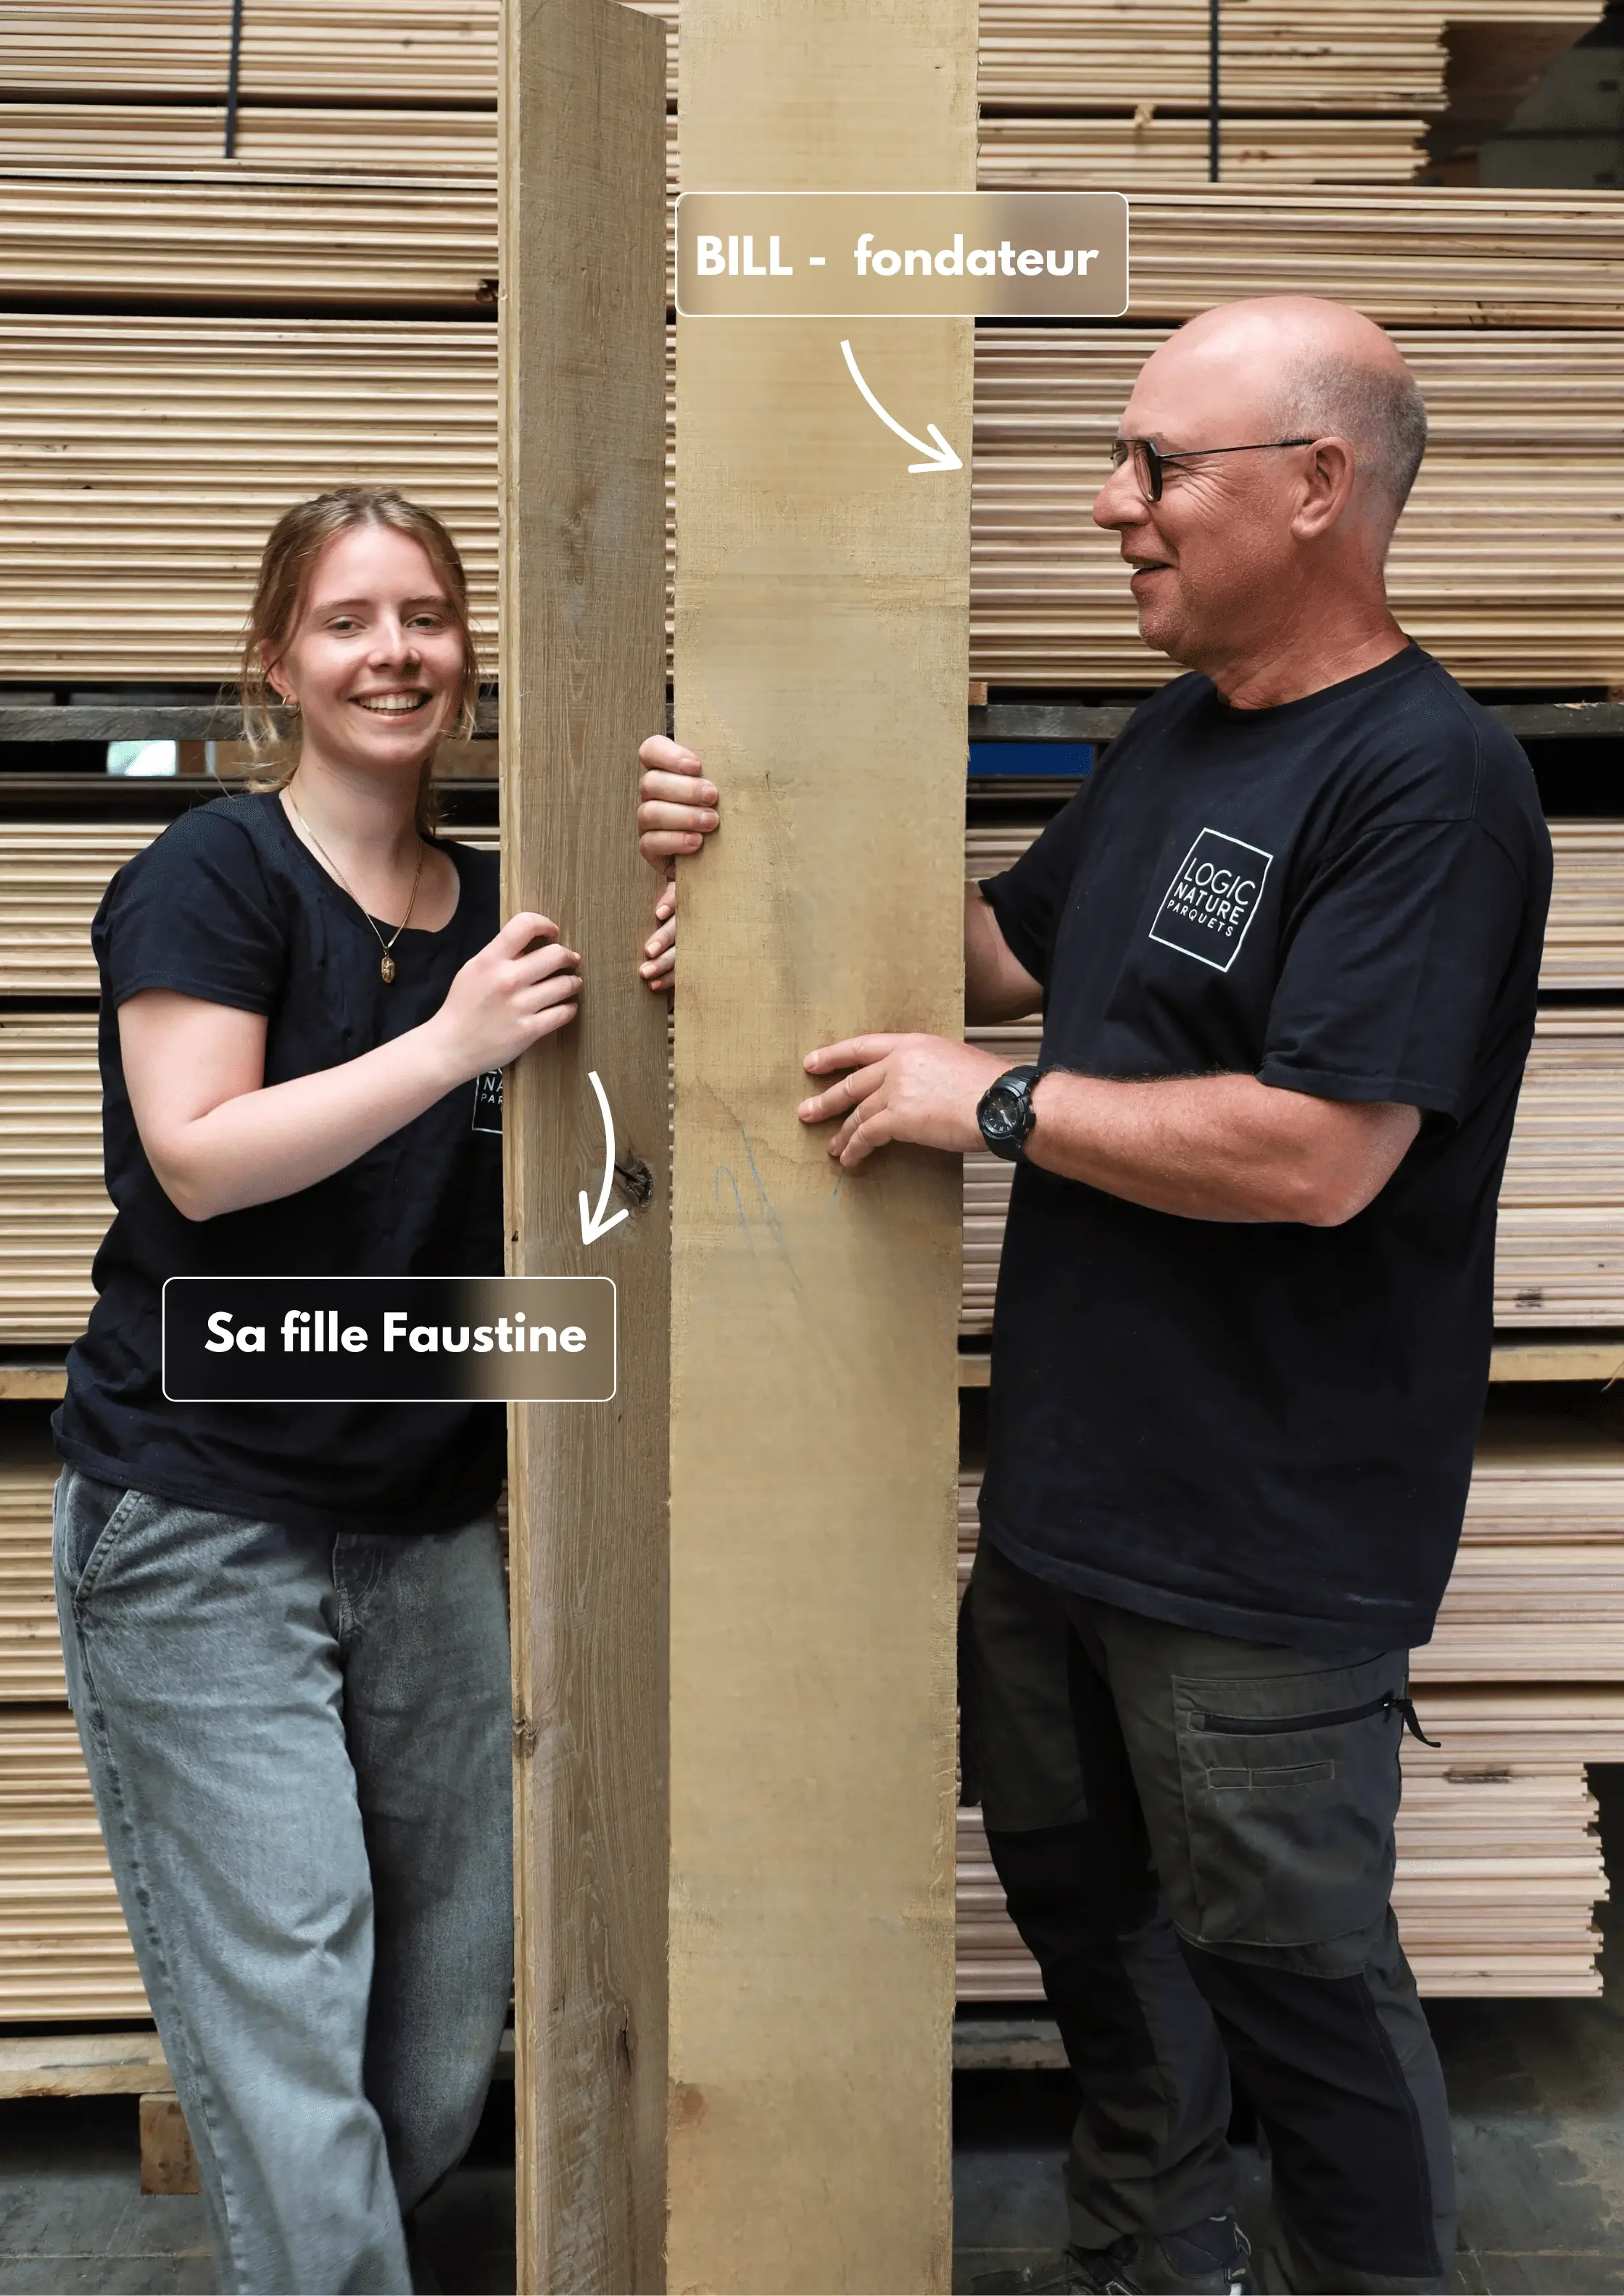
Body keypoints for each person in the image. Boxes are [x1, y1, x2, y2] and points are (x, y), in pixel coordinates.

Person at [637, 297, 1552, 2296]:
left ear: (1316, 490)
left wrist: (1006, 1110)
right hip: (1075, 1501)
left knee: (1295, 1980)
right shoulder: (1176, 738)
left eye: (1155, 465)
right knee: (1097, 1930)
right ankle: (1160, 2259)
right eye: (1119, 461)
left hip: (1269, 1535)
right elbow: (992, 950)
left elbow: (1326, 1154)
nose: (1108, 502)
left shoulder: (1428, 781)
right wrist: (737, 867)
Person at [52, 486, 597, 2295]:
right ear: (276, 660)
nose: (395, 652)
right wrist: (453, 1042)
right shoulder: (211, 877)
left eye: (427, 616)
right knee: (286, 1993)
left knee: (437, 2027)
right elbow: (199, 1157)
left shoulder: (512, 922)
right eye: (350, 619)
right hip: (203, 1519)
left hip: (424, 1522)